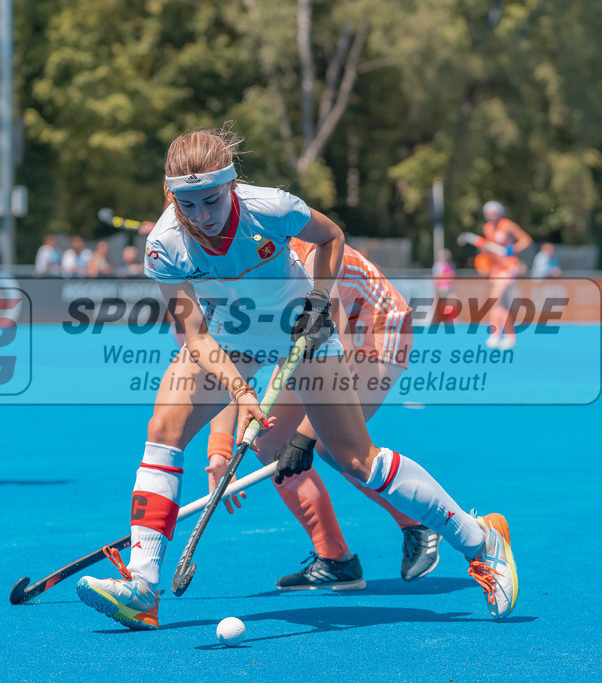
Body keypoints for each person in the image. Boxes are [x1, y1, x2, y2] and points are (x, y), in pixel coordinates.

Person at [75, 127, 518, 629]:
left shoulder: (272, 208)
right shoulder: (164, 245)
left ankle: (481, 542)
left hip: (303, 335)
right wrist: (236, 402)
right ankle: (141, 587)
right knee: (164, 429)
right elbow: (196, 338)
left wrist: (319, 302)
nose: (201, 217)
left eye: (211, 200)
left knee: (356, 459)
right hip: (230, 340)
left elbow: (331, 237)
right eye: (187, 204)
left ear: (232, 185)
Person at [203, 236, 441, 590]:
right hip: (312, 345)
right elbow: (227, 367)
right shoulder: (226, 278)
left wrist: (307, 435)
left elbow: (335, 355)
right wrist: (220, 450)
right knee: (269, 443)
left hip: (375, 328)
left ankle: (417, 522)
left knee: (335, 443)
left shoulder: (304, 265)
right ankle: (335, 559)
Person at [479, 200, 532, 349]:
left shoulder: (507, 225)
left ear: (500, 213)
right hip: (497, 269)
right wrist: (486, 250)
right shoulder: (487, 228)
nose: (491, 216)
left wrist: (512, 249)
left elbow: (526, 240)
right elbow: (491, 250)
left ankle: (496, 335)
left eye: (494, 213)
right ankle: (508, 336)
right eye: (489, 213)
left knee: (495, 298)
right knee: (501, 304)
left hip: (509, 267)